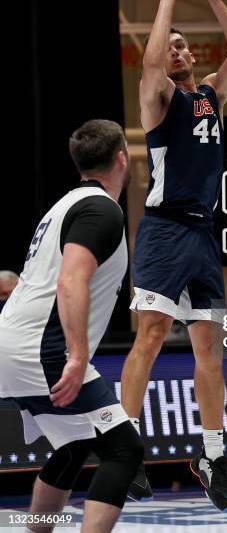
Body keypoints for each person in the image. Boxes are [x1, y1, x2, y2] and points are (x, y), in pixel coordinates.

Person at [121, 0, 227, 511]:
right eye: (170, 44)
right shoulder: (159, 100)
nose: (177, 50)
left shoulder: (211, 97)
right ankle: (123, 448)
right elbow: (148, 67)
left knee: (210, 352)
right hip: (163, 229)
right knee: (149, 336)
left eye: (181, 44)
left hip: (203, 235)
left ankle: (212, 454)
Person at [0, 120, 144, 533]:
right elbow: (70, 281)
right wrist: (77, 356)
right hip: (41, 349)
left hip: (14, 343)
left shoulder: (64, 206)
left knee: (77, 443)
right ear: (122, 158)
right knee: (123, 450)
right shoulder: (102, 209)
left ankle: (38, 528)